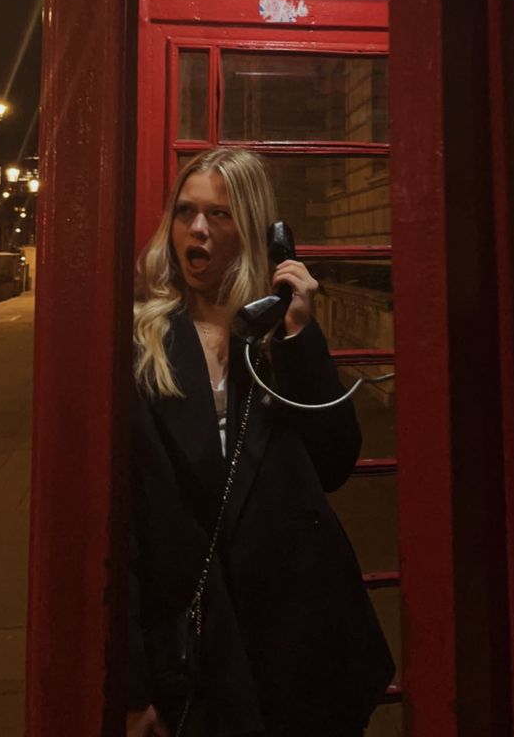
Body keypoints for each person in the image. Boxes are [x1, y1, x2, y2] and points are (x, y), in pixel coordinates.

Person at [126, 147, 394, 737]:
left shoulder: (275, 336)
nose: (197, 229)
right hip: (202, 637)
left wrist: (301, 330)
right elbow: (130, 524)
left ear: (251, 228)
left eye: (218, 215)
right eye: (186, 211)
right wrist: (134, 681)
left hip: (304, 628)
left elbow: (334, 463)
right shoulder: (146, 342)